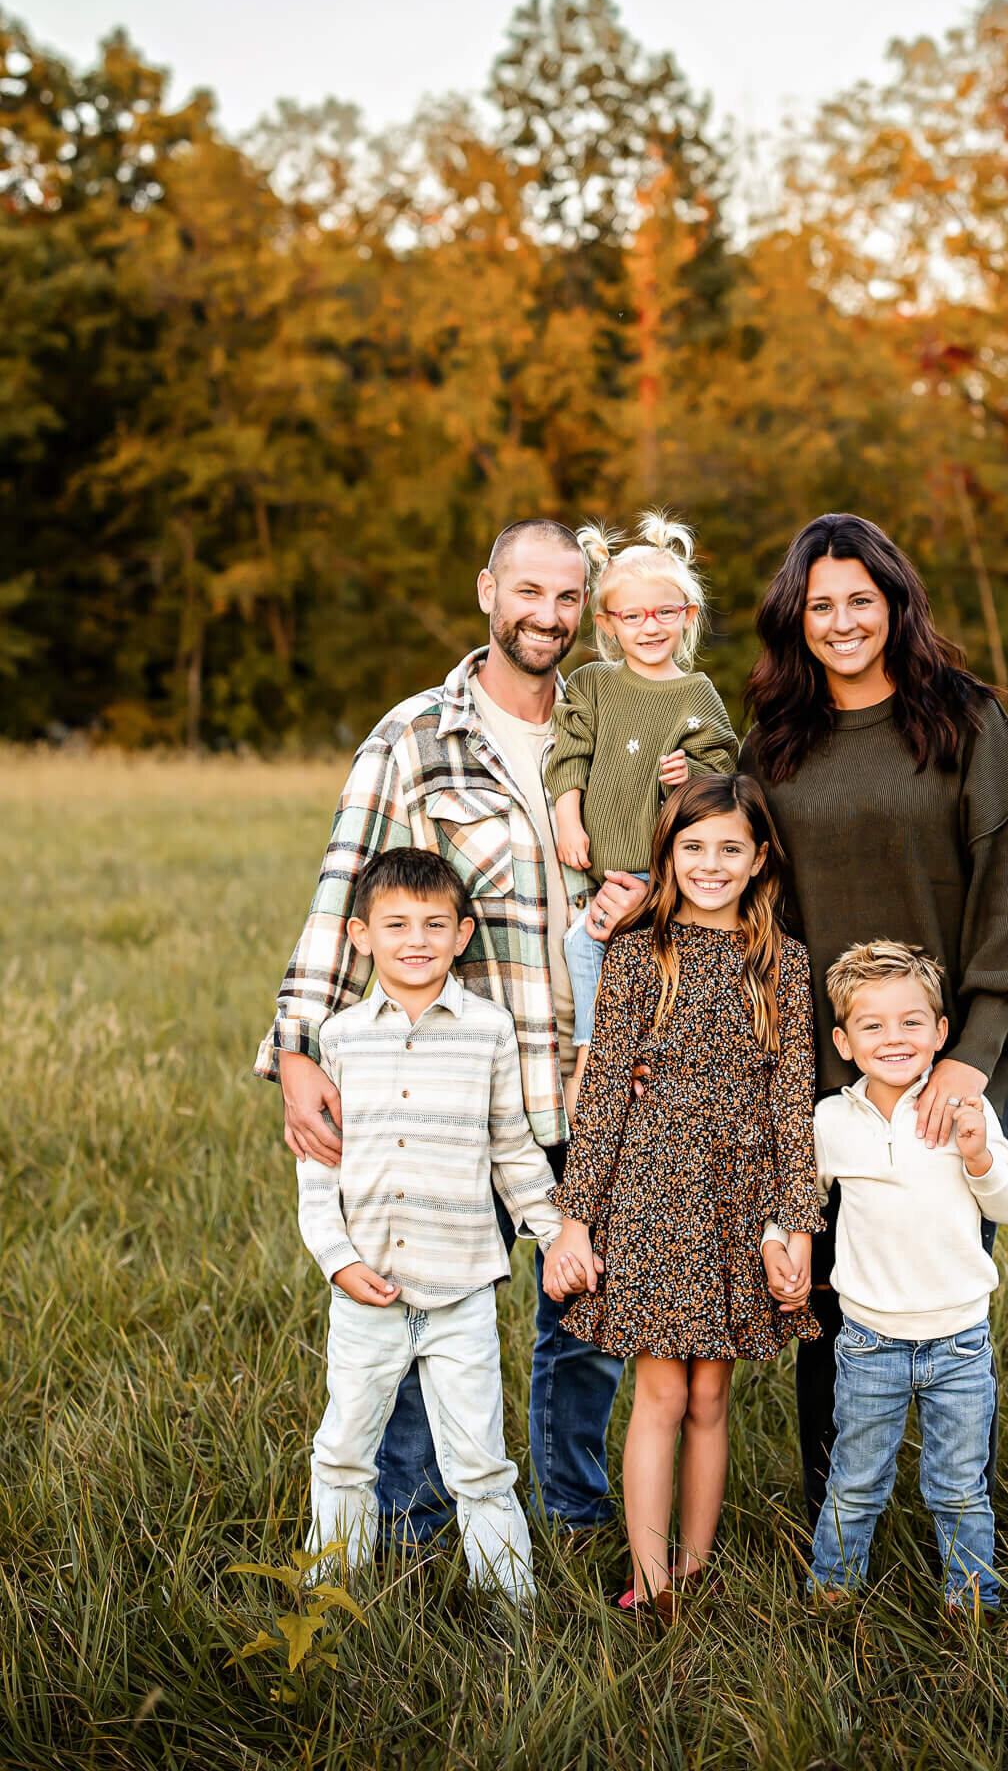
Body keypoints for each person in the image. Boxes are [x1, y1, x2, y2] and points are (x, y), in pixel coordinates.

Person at [256, 519, 650, 1543]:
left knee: (587, 1311)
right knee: (421, 1302)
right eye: (529, 592)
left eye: (568, 598)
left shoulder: (614, 724)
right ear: (487, 589)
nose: (547, 617)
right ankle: (417, 1523)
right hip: (460, 1083)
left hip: (593, 1074)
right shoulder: (414, 735)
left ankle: (573, 1510)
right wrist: (298, 1046)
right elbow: (347, 885)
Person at [736, 513, 1008, 1526]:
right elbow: (744, 900)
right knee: (829, 1298)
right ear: (797, 616)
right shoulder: (775, 743)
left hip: (950, 1057)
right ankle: (841, 1518)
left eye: (860, 600)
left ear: (895, 603)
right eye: (820, 604)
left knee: (949, 1276)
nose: (841, 621)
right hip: (824, 1066)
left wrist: (971, 1054)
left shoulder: (964, 720)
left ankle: (965, 1515)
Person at [541, 773, 822, 1618]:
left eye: (729, 848)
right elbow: (597, 1100)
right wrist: (574, 1218)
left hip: (742, 1198)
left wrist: (797, 1224)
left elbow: (791, 1101)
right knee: (661, 1391)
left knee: (712, 1394)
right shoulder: (638, 954)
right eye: (692, 847)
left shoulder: (781, 962)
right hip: (654, 1193)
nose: (710, 863)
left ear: (759, 858)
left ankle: (697, 1568)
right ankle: (651, 1580)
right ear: (667, 853)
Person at [299, 849, 561, 1600]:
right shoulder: (341, 1039)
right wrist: (338, 1261)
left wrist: (553, 1232)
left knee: (479, 1459)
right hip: (364, 1292)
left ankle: (511, 1608)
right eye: (396, 925)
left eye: (433, 925)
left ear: (462, 934)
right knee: (345, 1450)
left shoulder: (487, 1031)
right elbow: (317, 1170)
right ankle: (330, 1596)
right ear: (361, 935)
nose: (415, 940)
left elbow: (511, 1146)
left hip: (461, 1292)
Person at [763, 940, 1008, 1615]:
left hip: (958, 1340)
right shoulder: (830, 1120)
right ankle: (832, 1588)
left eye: (912, 1022)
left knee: (958, 1485)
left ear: (941, 1033)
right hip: (869, 1343)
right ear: (843, 1042)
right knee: (855, 1479)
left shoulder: (962, 1113)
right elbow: (793, 1198)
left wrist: (977, 1157)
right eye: (872, 1025)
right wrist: (776, 1242)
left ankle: (970, 1597)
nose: (894, 1038)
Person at [546, 513, 737, 1104]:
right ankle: (594, 1052)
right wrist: (568, 819)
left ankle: (651, 1060)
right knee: (586, 945)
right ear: (607, 622)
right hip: (608, 869)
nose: (649, 627)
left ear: (689, 616)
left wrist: (691, 777)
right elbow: (569, 756)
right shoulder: (593, 685)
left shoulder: (697, 692)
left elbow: (724, 772)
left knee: (661, 962)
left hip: (667, 873)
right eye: (632, 616)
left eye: (664, 613)